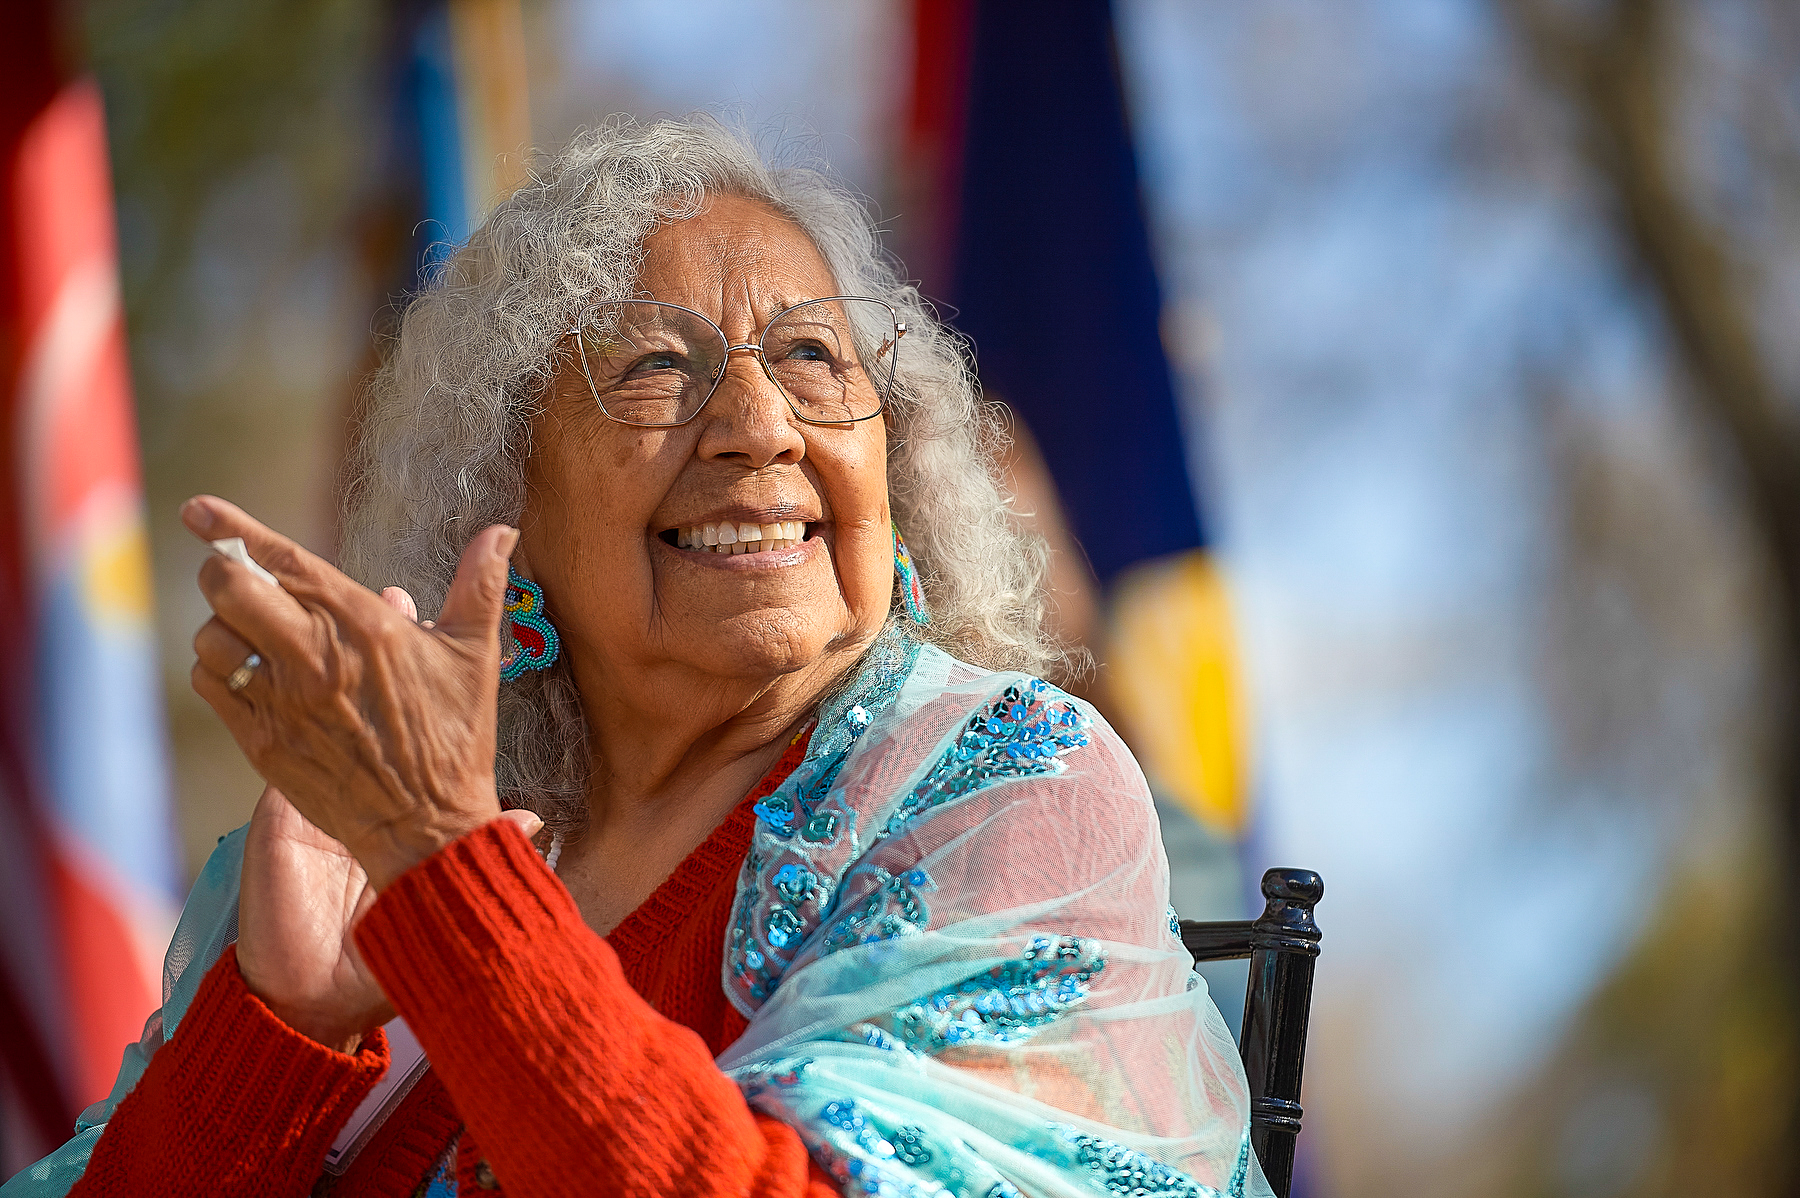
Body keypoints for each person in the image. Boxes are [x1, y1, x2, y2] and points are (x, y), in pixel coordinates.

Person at [5, 117, 1267, 1198]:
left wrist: (448, 877)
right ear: (506, 504)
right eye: (657, 364)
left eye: (814, 356)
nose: (760, 424)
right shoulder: (353, 858)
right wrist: (284, 1025)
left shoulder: (1018, 783)